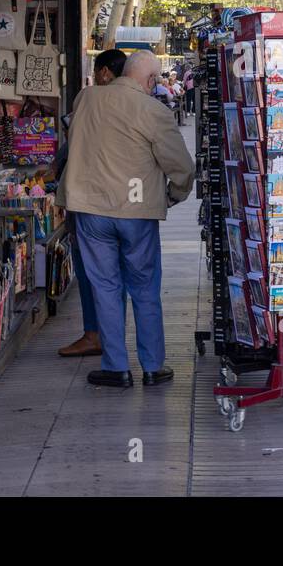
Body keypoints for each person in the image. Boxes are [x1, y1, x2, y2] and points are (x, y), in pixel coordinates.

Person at [60, 50, 195, 387]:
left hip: (91, 211)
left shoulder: (87, 98)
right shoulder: (153, 110)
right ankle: (152, 367)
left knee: (105, 287)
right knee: (145, 289)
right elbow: (181, 166)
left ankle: (116, 367)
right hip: (136, 213)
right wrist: (173, 196)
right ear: (150, 81)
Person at [57, 48, 128, 359]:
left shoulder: (88, 99)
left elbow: (75, 144)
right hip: (127, 202)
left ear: (103, 73)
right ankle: (112, 337)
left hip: (90, 199)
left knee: (91, 271)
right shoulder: (139, 104)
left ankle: (94, 334)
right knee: (121, 275)